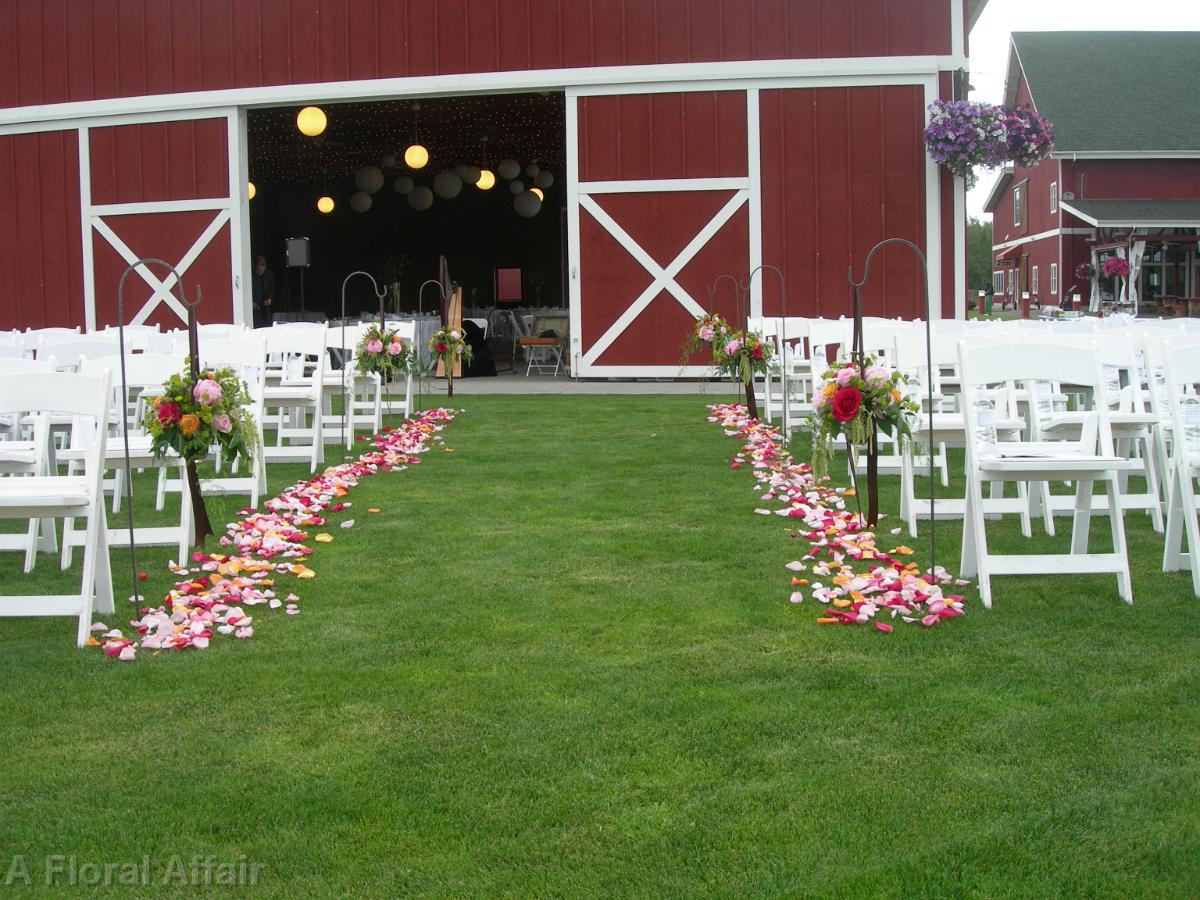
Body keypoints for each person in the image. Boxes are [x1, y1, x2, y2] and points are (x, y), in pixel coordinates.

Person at [251, 254, 274, 328]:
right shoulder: (250, 276)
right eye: (258, 266)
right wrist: (252, 303)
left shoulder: (269, 275)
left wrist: (270, 299)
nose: (260, 269)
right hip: (254, 310)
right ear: (255, 267)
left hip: (266, 310)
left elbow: (272, 291)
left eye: (263, 266)